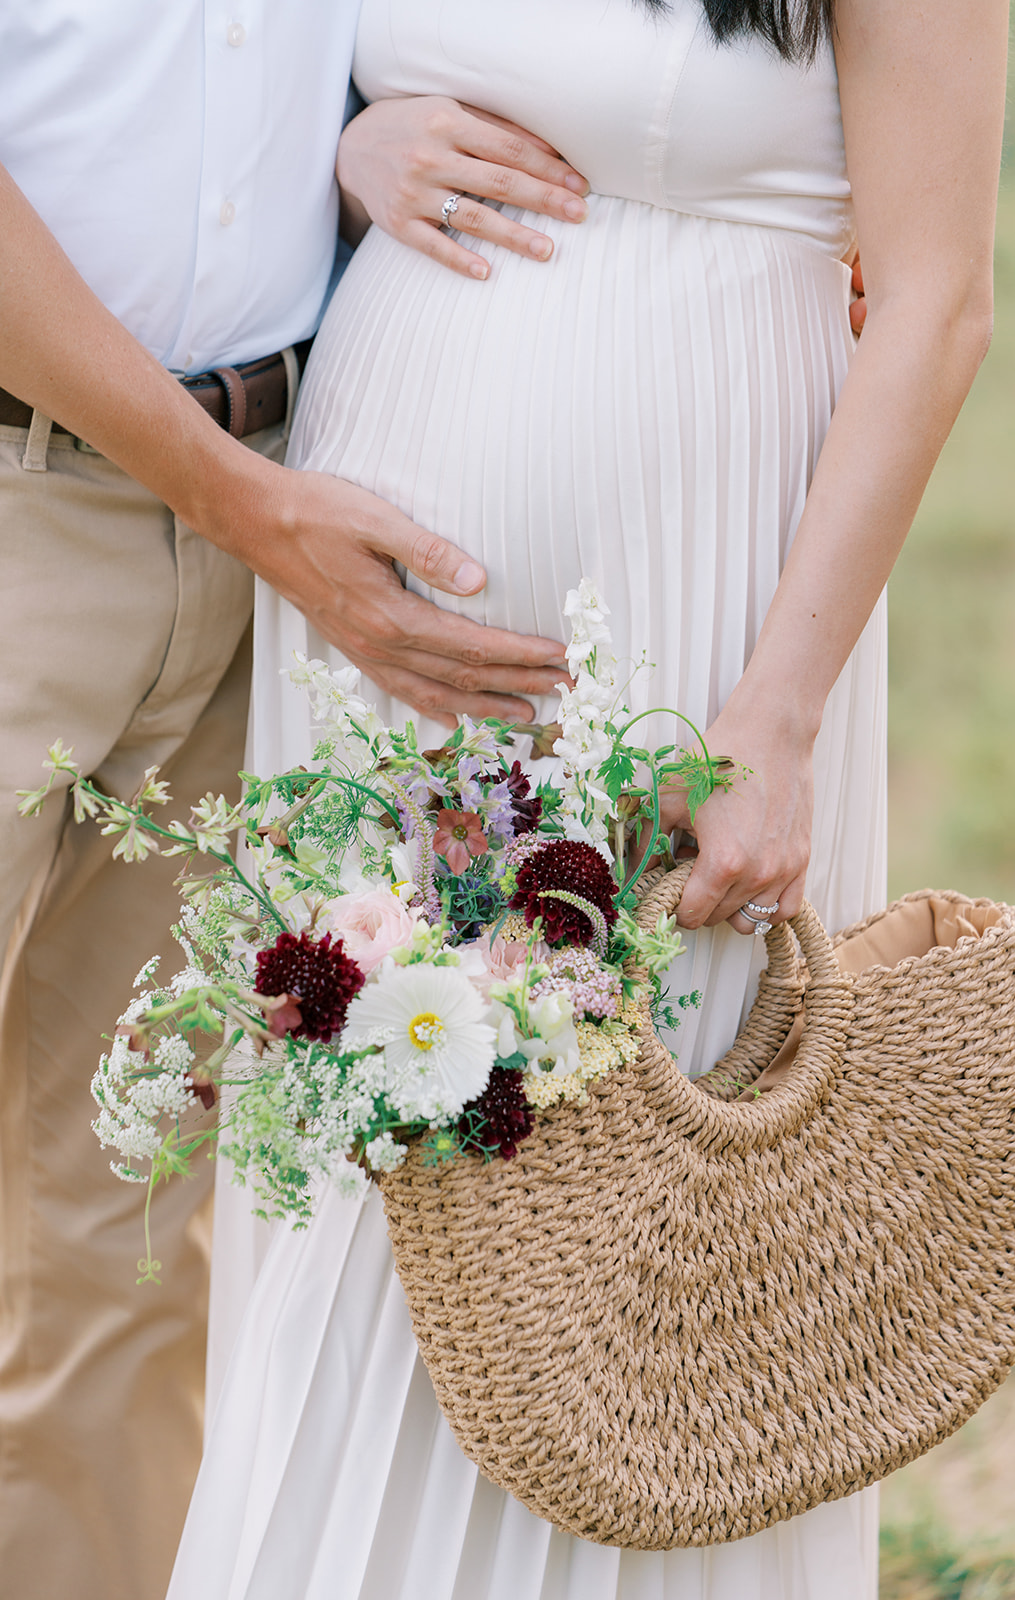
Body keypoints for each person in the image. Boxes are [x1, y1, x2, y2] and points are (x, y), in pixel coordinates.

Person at [166, 0, 1007, 1595]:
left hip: (700, 586)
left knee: (640, 1185)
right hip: (375, 614)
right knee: (370, 1160)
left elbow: (941, 303)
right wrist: (350, 156)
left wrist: (778, 708)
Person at [0, 8, 604, 1595]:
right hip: (41, 501)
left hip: (264, 527)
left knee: (124, 1223)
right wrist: (240, 499)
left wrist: (354, 148)